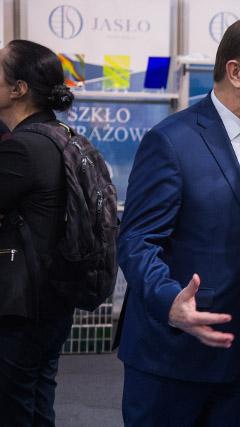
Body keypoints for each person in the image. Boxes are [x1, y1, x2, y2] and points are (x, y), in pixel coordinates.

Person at [117, 16, 240, 426]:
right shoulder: (171, 141)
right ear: (235, 72)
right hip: (172, 356)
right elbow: (136, 241)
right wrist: (170, 301)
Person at [0, 40, 75, 426]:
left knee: (13, 407)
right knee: (38, 401)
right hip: (54, 295)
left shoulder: (23, 148)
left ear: (18, 89)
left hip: (21, 303)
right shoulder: (61, 135)